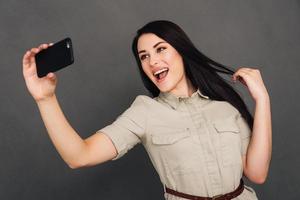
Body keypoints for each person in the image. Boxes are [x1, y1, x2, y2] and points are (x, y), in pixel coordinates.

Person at [22, 20, 272, 200]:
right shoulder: (144, 112)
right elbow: (79, 156)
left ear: (181, 52)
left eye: (160, 49)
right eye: (143, 56)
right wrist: (45, 99)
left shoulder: (225, 108)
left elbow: (257, 173)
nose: (152, 61)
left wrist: (262, 100)